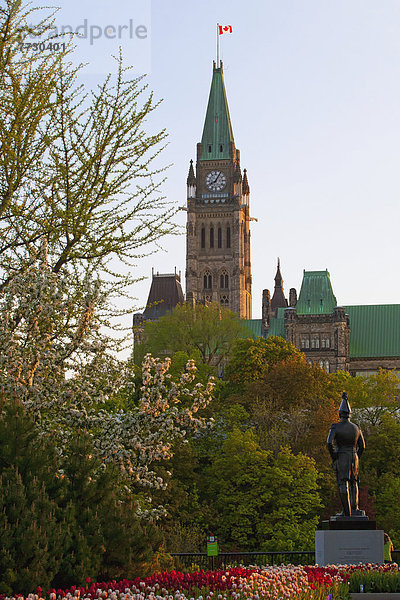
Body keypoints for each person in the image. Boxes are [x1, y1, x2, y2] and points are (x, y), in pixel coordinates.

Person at [327, 392, 365, 517]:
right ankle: (355, 509)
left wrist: (334, 456)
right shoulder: (356, 427)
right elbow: (362, 446)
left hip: (342, 455)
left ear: (340, 413)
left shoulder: (335, 427)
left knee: (343, 482)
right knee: (354, 482)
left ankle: (347, 512)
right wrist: (357, 456)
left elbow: (329, 443)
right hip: (354, 456)